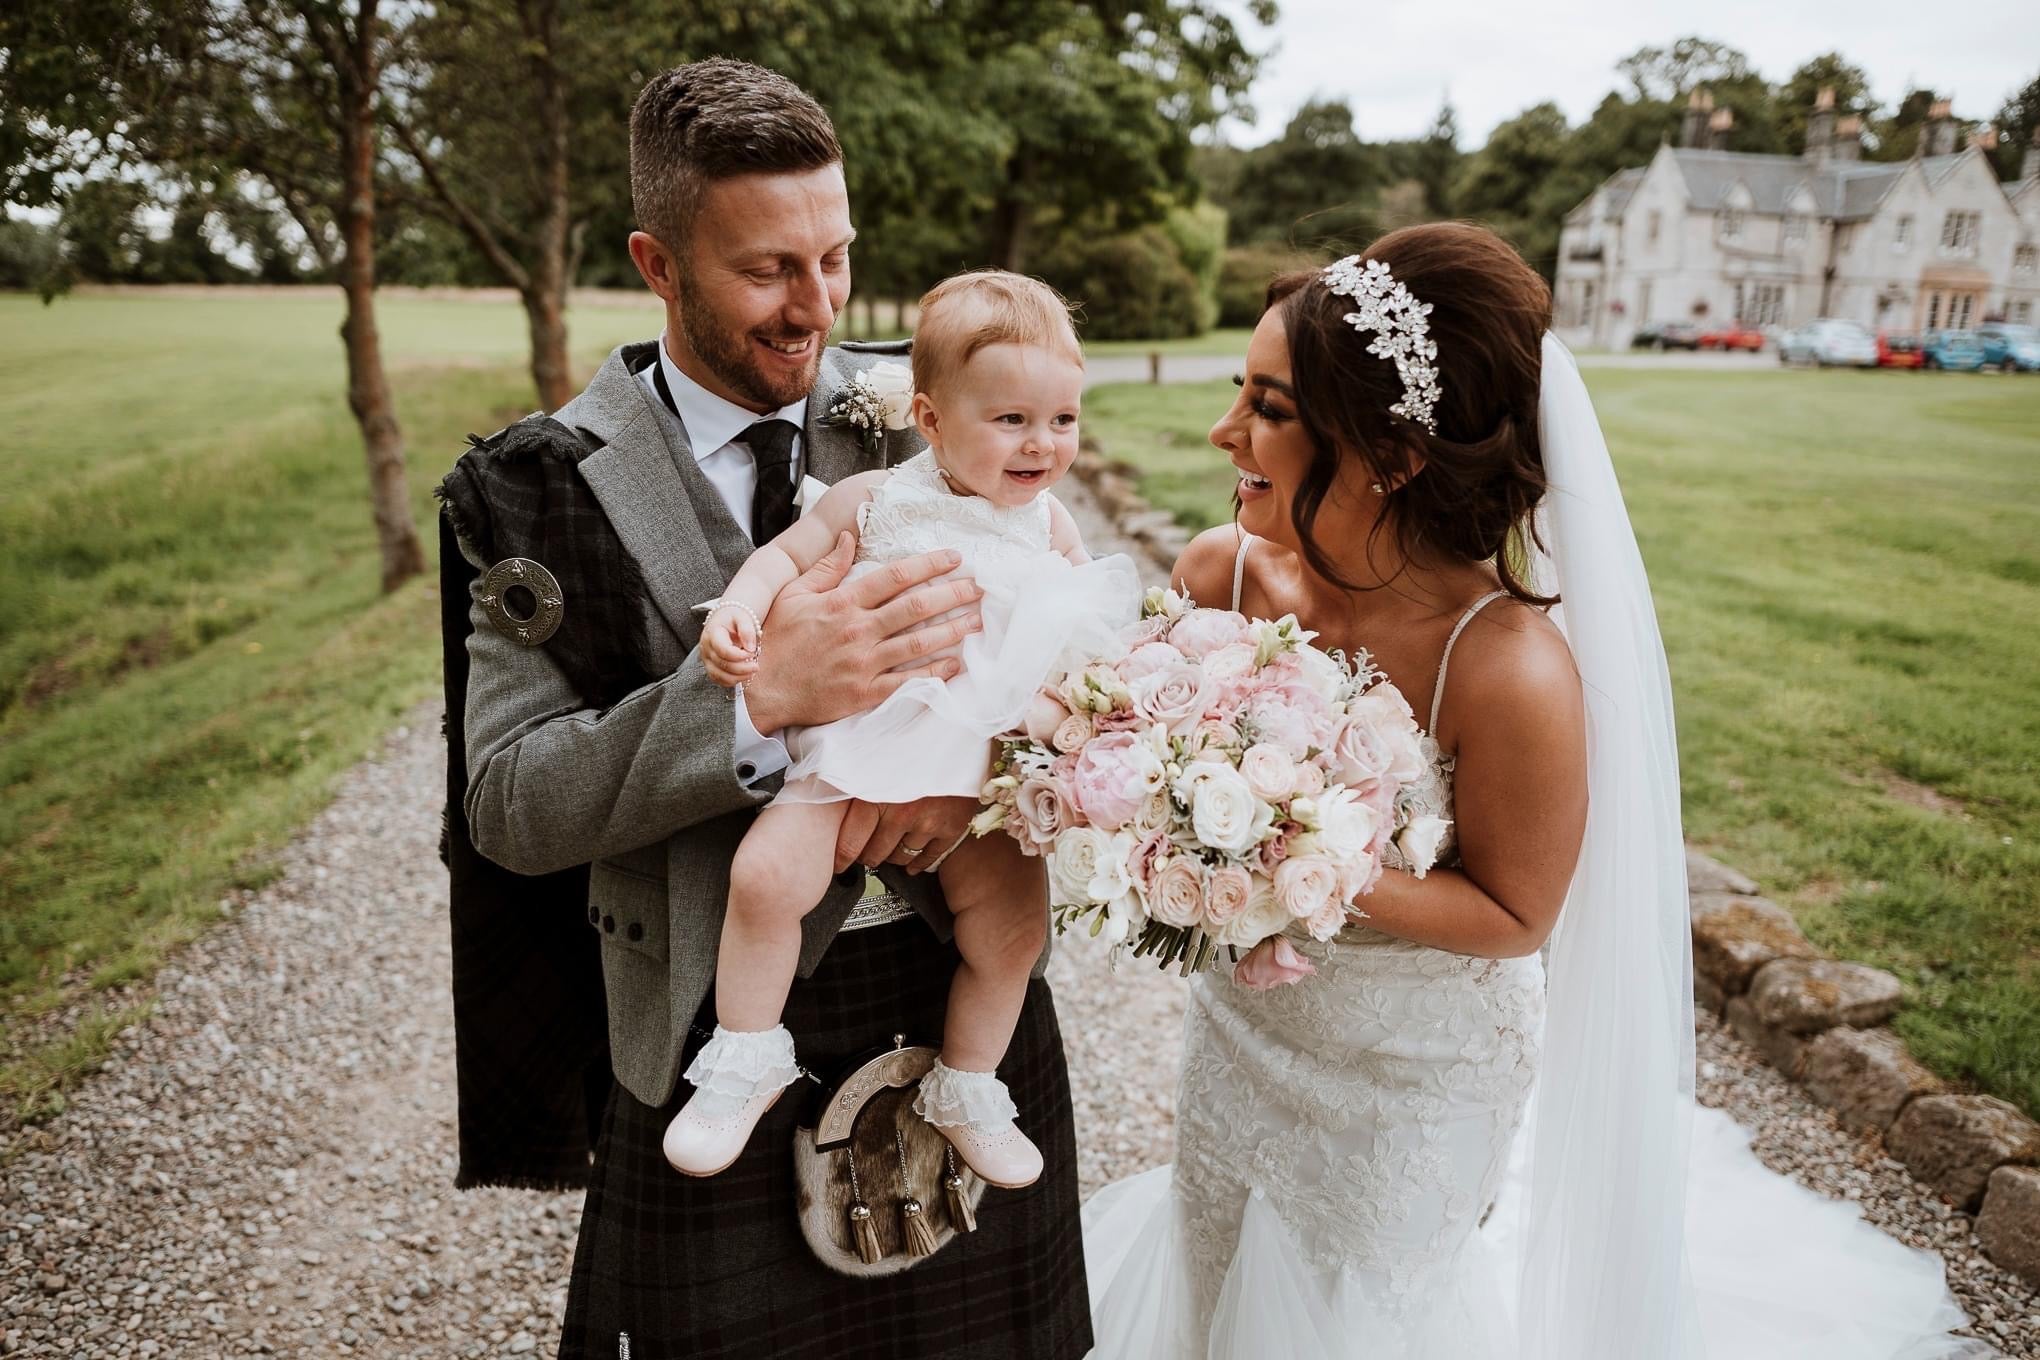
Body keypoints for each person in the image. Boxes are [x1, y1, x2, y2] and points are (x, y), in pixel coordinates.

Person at [1079, 222, 1973, 1357]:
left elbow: (1514, 916)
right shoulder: (1224, 574)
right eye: (1238, 394)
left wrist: (1285, 861)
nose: (1225, 432)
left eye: (1271, 407)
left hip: (1412, 1074)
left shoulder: (1505, 668)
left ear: (1394, 453)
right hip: (1244, 1037)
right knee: (1215, 1281)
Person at [439, 59, 1093, 1359]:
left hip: (963, 1012)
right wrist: (758, 706)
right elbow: (506, 803)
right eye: (767, 270)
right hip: (710, 1027)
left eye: (835, 257)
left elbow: (1059, 645)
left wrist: (984, 771)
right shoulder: (528, 489)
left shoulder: (945, 405)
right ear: (659, 261)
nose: (817, 308)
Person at [667, 270, 1140, 1187]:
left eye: (1063, 420)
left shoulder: (1050, 523)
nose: (1042, 445)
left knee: (1012, 931)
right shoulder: (874, 498)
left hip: (980, 768)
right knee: (766, 878)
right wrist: (738, 611)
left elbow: (1095, 636)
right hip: (862, 742)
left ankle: (967, 1085)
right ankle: (745, 1055)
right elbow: (782, 558)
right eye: (1011, 420)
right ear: (928, 418)